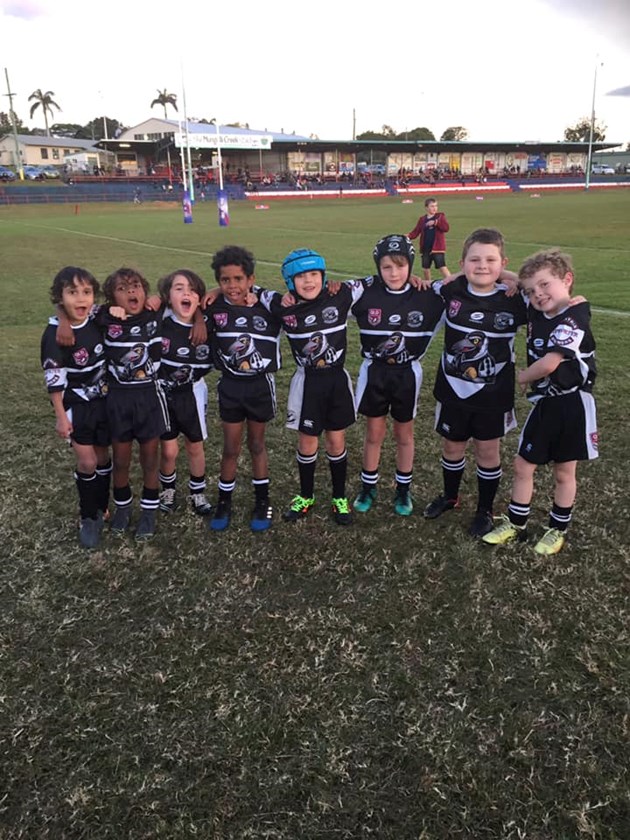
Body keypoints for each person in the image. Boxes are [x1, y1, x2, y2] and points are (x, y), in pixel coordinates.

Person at [482, 249, 598, 555]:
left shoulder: (575, 315)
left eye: (545, 285)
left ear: (567, 280)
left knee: (564, 472)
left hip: (572, 404)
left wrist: (518, 377)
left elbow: (549, 364)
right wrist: (506, 278)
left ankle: (557, 529)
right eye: (532, 290)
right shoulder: (536, 310)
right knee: (523, 465)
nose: (538, 294)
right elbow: (510, 278)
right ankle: (516, 522)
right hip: (545, 403)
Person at [424, 228, 527, 537]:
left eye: (491, 260)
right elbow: (414, 288)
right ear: (462, 263)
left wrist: (512, 278)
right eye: (474, 260)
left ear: (503, 263)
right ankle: (450, 497)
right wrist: (457, 276)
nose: (482, 266)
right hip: (453, 389)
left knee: (488, 451)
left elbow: (547, 291)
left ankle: (484, 510)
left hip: (493, 394)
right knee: (452, 446)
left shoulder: (514, 298)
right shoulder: (450, 291)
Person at [258, 249, 364, 525]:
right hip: (307, 382)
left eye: (314, 274)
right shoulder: (283, 305)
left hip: (336, 380)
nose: (309, 281)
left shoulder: (339, 295)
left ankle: (339, 498)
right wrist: (214, 292)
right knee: (307, 441)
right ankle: (306, 496)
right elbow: (251, 290)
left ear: (323, 276)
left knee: (336, 440)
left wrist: (416, 279)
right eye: (301, 276)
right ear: (290, 282)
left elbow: (376, 282)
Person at [352, 235, 445, 515]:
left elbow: (470, 281)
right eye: (387, 267)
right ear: (377, 267)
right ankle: (368, 486)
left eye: (401, 266)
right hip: (374, 372)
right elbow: (327, 295)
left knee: (404, 434)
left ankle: (403, 490)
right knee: (374, 433)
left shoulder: (428, 294)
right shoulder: (365, 292)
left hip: (407, 375)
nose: (394, 273)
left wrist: (507, 278)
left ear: (411, 265)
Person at [204, 246, 282, 532]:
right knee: (230, 448)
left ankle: (262, 501)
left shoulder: (268, 306)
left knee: (257, 445)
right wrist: (212, 294)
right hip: (230, 386)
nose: (232, 285)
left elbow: (293, 302)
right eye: (225, 280)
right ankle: (224, 501)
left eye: (239, 279)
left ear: (251, 279)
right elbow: (179, 302)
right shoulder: (214, 306)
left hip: (259, 385)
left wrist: (258, 292)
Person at [41, 266, 111, 548]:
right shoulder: (54, 334)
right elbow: (55, 382)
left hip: (104, 401)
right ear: (60, 298)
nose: (81, 298)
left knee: (103, 457)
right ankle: (88, 516)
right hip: (76, 404)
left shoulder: (96, 317)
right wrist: (61, 417)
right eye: (72, 292)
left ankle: (102, 506)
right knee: (87, 462)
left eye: (86, 292)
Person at [98, 268, 168, 539]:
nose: (131, 291)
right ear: (111, 298)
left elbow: (188, 293)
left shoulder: (155, 315)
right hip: (118, 397)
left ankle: (149, 511)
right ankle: (123, 508)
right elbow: (73, 311)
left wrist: (161, 298)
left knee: (150, 459)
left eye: (136, 285)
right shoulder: (105, 319)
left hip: (148, 396)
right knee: (121, 460)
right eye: (122, 288)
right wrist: (107, 310)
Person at [156, 269, 214, 518]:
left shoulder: (209, 324)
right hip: (163, 392)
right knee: (169, 450)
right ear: (168, 297)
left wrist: (200, 318)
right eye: (179, 289)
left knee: (195, 446)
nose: (186, 293)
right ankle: (168, 490)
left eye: (192, 289)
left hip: (193, 392)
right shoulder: (160, 319)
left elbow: (223, 296)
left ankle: (197, 492)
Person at [407, 197, 450, 282]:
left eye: (436, 206)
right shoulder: (422, 219)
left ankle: (452, 283)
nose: (435, 208)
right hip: (426, 248)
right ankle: (428, 284)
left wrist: (435, 223)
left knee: (442, 267)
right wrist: (408, 236)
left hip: (437, 248)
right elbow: (416, 232)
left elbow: (446, 228)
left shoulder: (440, 216)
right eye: (432, 206)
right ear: (426, 208)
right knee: (425, 268)